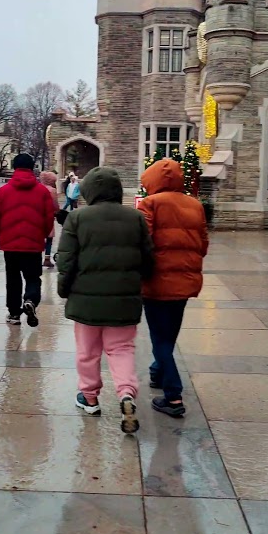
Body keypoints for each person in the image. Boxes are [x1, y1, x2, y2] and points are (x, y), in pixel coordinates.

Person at [56, 165, 154, 434]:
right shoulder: (135, 218)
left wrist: (64, 289)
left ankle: (89, 397)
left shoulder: (77, 218)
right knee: (121, 349)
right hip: (124, 299)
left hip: (85, 299)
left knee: (88, 352)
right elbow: (148, 258)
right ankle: (125, 394)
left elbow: (66, 260)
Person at [136, 158, 208, 418]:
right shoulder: (195, 204)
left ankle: (173, 395)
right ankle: (158, 371)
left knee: (159, 338)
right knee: (170, 334)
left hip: (156, 282)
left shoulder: (150, 204)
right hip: (185, 282)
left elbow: (143, 244)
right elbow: (203, 243)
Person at [0, 154, 56, 327]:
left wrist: (0, 233)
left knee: (12, 279)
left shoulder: (4, 191)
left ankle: (14, 313)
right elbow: (49, 218)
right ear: (32, 167)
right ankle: (30, 300)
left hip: (10, 244)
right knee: (33, 277)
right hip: (33, 244)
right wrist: (41, 234)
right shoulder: (42, 191)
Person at [38, 169, 60, 267]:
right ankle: (47, 258)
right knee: (49, 238)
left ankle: (37, 257)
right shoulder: (52, 190)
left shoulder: (38, 188)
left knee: (39, 237)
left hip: (38, 216)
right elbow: (55, 205)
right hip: (48, 216)